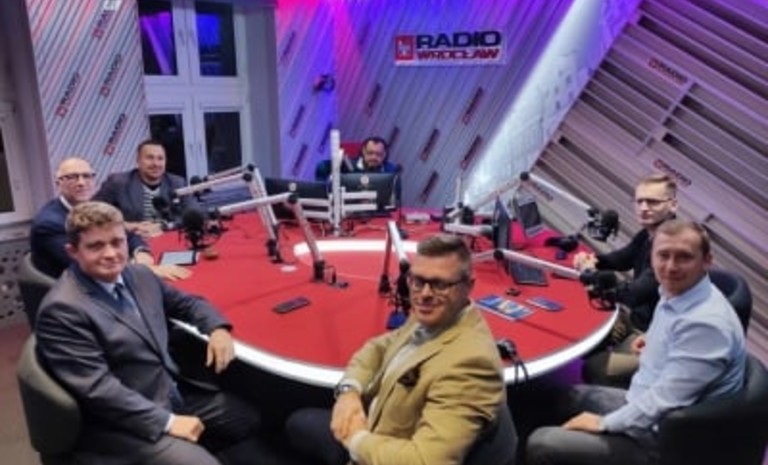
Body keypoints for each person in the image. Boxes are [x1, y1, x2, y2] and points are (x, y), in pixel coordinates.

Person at [35, 201, 263, 465]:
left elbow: (188, 304)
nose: (111, 254)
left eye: (117, 242)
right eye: (96, 246)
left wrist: (217, 329)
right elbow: (98, 389)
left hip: (168, 391)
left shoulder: (139, 274)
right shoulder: (63, 309)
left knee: (247, 419)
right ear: (73, 251)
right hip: (122, 422)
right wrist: (168, 422)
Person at [526, 219, 746, 465]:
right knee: (553, 397)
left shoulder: (707, 326)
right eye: (663, 255)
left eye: (684, 257)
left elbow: (664, 401)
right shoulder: (679, 291)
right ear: (652, 258)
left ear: (707, 261)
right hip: (643, 400)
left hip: (666, 438)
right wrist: (653, 338)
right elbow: (677, 331)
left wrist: (604, 423)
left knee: (542, 443)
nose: (671, 266)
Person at [286, 234, 515, 465]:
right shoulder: (434, 315)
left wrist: (356, 440)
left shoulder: (471, 364)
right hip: (374, 423)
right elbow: (377, 348)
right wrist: (349, 392)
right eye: (418, 281)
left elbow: (426, 460)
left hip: (383, 451)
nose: (424, 294)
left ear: (468, 286)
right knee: (297, 423)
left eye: (440, 284)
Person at [573, 173, 678, 386]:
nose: (644, 207)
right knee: (581, 331)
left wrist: (592, 275)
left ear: (672, 205)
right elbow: (622, 259)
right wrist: (594, 260)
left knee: (595, 368)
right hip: (637, 320)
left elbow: (634, 294)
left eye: (653, 202)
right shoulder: (648, 234)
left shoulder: (672, 246)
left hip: (656, 337)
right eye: (639, 201)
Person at [30, 157, 190, 281]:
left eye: (87, 176)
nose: (81, 183)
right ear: (58, 183)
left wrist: (142, 254)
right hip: (80, 294)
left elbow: (128, 234)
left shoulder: (94, 207)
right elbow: (90, 266)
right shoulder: (49, 224)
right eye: (72, 177)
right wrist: (145, 270)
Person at [94, 139, 198, 238]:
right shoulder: (117, 182)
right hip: (131, 241)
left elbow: (194, 214)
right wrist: (127, 226)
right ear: (138, 160)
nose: (156, 164)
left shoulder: (177, 183)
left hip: (168, 239)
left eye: (160, 158)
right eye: (150, 158)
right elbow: (92, 213)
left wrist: (163, 225)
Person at [315, 136, 398, 182]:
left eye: (378, 154)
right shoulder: (349, 164)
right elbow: (322, 166)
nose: (374, 157)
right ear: (363, 151)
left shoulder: (390, 170)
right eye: (370, 153)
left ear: (384, 155)